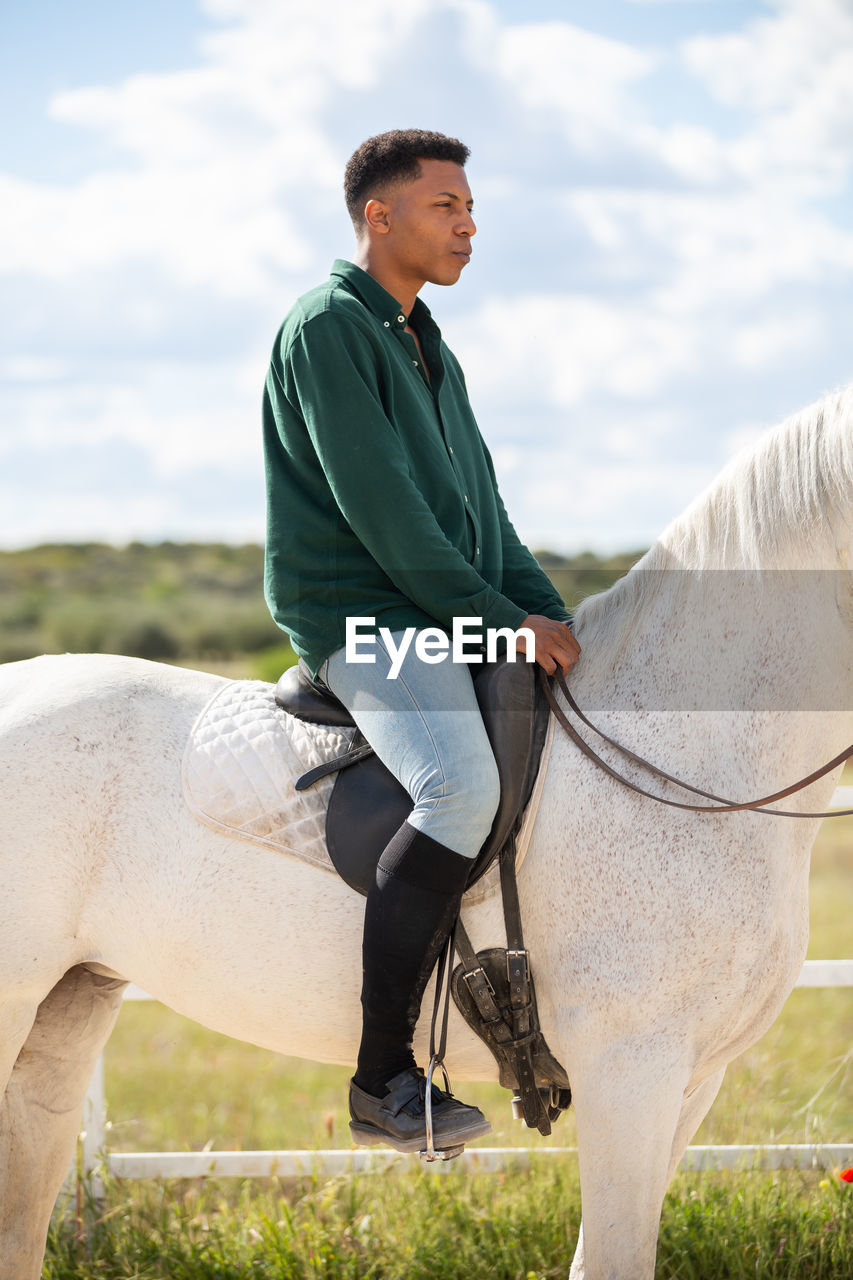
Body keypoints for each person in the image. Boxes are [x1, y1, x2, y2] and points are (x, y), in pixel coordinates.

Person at [263, 129, 580, 1154]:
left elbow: (482, 509)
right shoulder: (328, 328)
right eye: (447, 205)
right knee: (460, 787)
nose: (470, 224)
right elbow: (387, 513)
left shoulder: (423, 338)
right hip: (362, 614)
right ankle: (382, 1077)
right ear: (379, 216)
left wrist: (551, 611)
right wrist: (498, 623)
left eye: (471, 206)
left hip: (434, 608)